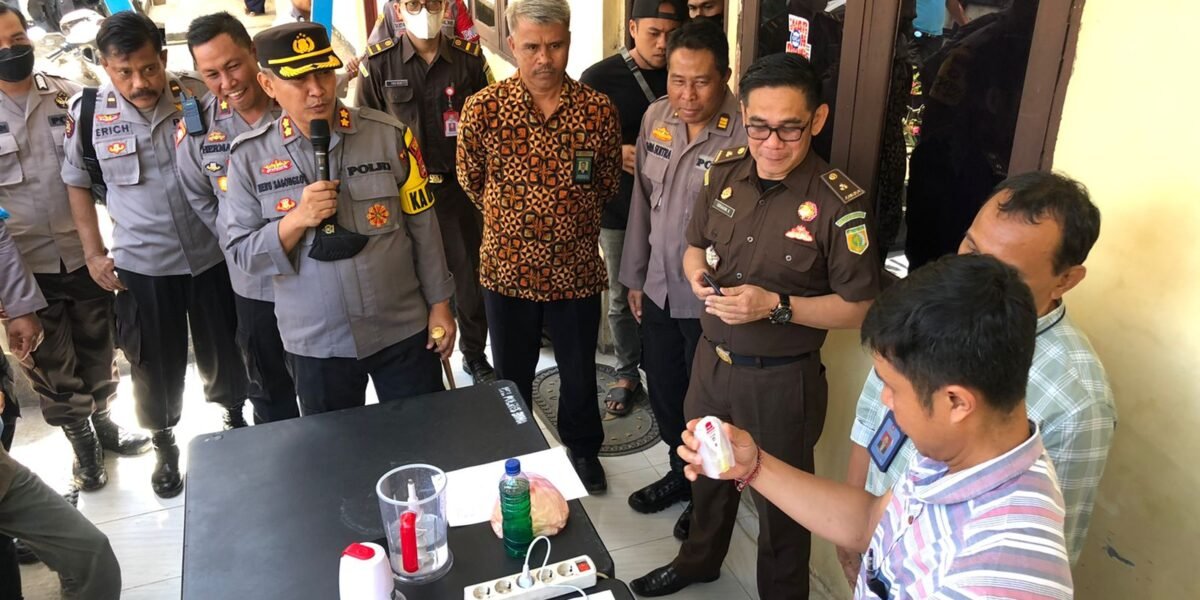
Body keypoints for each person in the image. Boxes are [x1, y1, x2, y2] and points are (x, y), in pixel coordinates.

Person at [680, 254, 1075, 599]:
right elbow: (872, 520)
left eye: (893, 387)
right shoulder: (967, 454)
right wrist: (752, 466)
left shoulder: (988, 577)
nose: (885, 400)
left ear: (956, 402)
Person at [631, 53, 881, 598]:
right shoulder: (725, 173)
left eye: (790, 128)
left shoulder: (838, 203)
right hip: (712, 363)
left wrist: (776, 306)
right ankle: (699, 561)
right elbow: (694, 245)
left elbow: (861, 307)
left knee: (781, 510)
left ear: (817, 119)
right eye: (759, 126)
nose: (771, 143)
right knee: (708, 477)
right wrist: (696, 276)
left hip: (781, 381)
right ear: (743, 114)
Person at [839, 171, 1114, 583]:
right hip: (878, 542)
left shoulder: (1077, 404)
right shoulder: (934, 304)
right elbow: (872, 419)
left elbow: (1042, 554)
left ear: (1065, 279)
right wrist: (855, 526)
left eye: (1002, 272)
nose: (971, 276)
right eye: (970, 247)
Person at [223, 21, 456, 416]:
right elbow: (242, 254)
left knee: (422, 435)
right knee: (336, 448)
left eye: (324, 73)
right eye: (299, 79)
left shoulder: (389, 136)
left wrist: (440, 303)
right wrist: (296, 220)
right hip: (317, 344)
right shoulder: (249, 158)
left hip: (401, 329)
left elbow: (423, 227)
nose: (317, 90)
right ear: (267, 84)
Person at [62, 11, 249, 499]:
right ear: (105, 67)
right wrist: (93, 254)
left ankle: (234, 419)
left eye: (148, 68)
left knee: (226, 347)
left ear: (163, 57)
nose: (139, 83)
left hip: (212, 254)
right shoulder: (88, 113)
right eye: (124, 72)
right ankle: (165, 445)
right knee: (152, 364)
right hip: (142, 264)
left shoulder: (197, 95)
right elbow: (76, 183)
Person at [457, 0, 622, 493]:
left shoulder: (597, 110)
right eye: (532, 47)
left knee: (579, 373)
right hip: (508, 271)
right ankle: (516, 456)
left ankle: (583, 451)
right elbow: (470, 179)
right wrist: (517, 219)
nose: (544, 58)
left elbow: (607, 182)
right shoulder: (484, 109)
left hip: (576, 270)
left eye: (555, 45)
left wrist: (563, 218)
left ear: (568, 42)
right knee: (512, 377)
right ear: (512, 45)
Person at [0, 4, 149, 494]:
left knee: (98, 347)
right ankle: (82, 443)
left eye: (17, 39)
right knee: (49, 362)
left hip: (84, 251)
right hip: (23, 269)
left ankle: (104, 425)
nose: (10, 51)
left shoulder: (68, 96)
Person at [619, 18, 743, 528]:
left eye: (701, 82)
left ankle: (707, 498)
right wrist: (634, 276)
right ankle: (679, 472)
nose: (687, 95)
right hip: (659, 289)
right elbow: (642, 204)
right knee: (665, 390)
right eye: (677, 79)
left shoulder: (745, 132)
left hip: (710, 299)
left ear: (725, 77)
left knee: (708, 403)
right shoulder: (657, 117)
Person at [356, 0, 496, 385]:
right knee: (409, 277)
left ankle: (474, 354)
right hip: (401, 196)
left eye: (432, 2)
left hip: (457, 190)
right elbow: (362, 132)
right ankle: (423, 354)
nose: (424, 10)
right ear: (398, 10)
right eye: (413, 3)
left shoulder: (469, 61)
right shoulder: (379, 64)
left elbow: (491, 124)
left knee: (469, 277)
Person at [178, 13, 298, 424]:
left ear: (253, 52)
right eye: (211, 74)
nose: (227, 83)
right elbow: (200, 197)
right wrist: (243, 242)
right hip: (254, 284)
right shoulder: (198, 130)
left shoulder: (295, 100)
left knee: (327, 383)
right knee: (269, 391)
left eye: (233, 66)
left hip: (313, 270)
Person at [0, 219, 122, 600]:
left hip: (66, 259)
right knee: (56, 373)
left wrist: (18, 303)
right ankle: (84, 449)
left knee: (92, 558)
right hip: (35, 257)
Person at [579, 0, 683, 416]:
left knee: (670, 294)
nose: (662, 44)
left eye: (671, 35)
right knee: (623, 296)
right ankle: (626, 372)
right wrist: (613, 153)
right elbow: (577, 152)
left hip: (674, 211)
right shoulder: (599, 78)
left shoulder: (685, 75)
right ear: (633, 28)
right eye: (653, 33)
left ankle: (665, 373)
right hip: (620, 208)